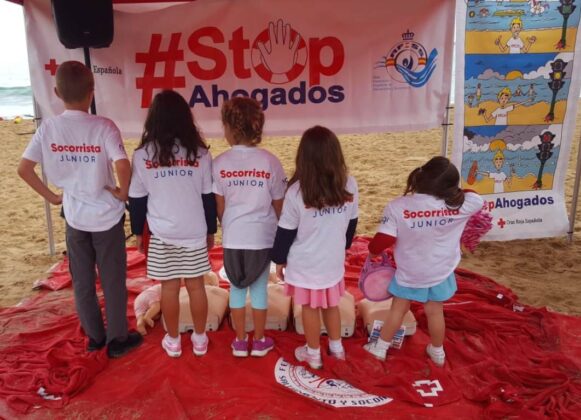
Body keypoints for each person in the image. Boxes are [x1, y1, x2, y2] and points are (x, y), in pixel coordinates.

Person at [17, 61, 142, 358]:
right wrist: (123, 192)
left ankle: (95, 337)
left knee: (83, 281)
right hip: (106, 216)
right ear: (92, 91)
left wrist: (52, 197)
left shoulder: (49, 127)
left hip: (74, 216)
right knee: (112, 280)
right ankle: (117, 339)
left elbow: (24, 169)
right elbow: (122, 164)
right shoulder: (103, 126)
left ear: (57, 92)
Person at [363, 157, 484, 366]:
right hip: (440, 270)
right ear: (451, 187)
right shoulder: (462, 204)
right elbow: (475, 196)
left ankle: (380, 347)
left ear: (421, 177)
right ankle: (437, 352)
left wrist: (372, 252)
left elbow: (383, 240)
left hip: (410, 271)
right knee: (435, 312)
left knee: (398, 310)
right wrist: (453, 194)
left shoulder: (397, 206)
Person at [128, 90, 217, 358]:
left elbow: (137, 200)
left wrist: (138, 233)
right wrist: (211, 230)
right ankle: (200, 340)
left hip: (162, 232)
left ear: (153, 119)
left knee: (169, 287)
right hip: (194, 230)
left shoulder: (142, 155)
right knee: (196, 286)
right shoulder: (200, 153)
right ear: (185, 118)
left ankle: (174, 341)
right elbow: (208, 197)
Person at [272, 126, 358, 369]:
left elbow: (285, 231)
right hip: (332, 259)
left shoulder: (296, 191)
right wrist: (343, 247)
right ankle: (337, 349)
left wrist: (279, 259)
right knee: (331, 304)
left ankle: (313, 354)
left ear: (303, 157)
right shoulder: (349, 184)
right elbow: (352, 222)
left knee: (310, 307)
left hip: (306, 262)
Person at [213, 97, 286, 357]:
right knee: (258, 289)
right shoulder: (270, 161)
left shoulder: (219, 163)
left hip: (234, 236)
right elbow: (279, 204)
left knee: (235, 287)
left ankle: (240, 341)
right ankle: (260, 339)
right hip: (262, 236)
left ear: (229, 127)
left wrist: (229, 225)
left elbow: (219, 206)